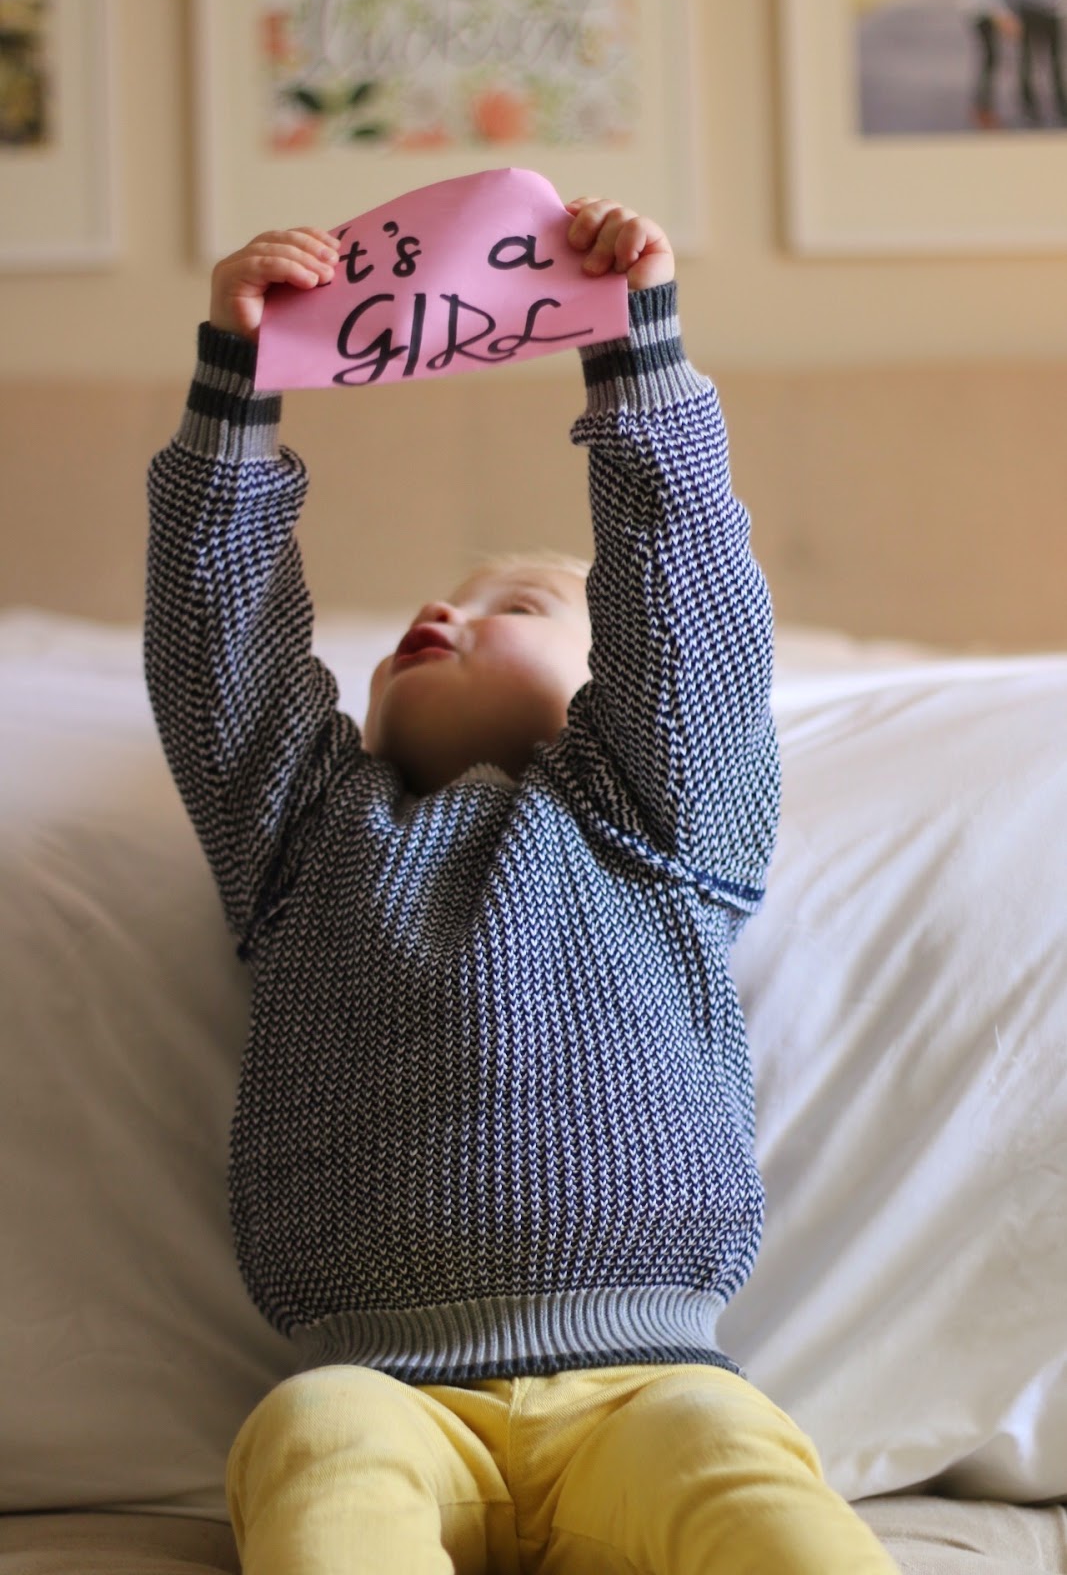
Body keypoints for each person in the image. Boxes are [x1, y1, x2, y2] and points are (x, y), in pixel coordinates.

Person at [145, 197, 898, 1574]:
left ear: (608, 678)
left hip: (647, 1383)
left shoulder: (656, 818)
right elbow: (216, 654)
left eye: (518, 607)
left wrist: (634, 358)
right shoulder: (302, 830)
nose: (443, 613)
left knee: (740, 1476)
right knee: (309, 1438)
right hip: (377, 1381)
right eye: (432, 609)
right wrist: (235, 388)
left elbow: (687, 613)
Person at [958, 0, 1021, 129]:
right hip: (983, 13)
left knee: (990, 60)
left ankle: (983, 107)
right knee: (990, 61)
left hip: (978, 11)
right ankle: (983, 108)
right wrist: (1003, 15)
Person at [1002, 0, 1067, 122]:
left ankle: (1062, 105)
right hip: (1029, 8)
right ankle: (1029, 107)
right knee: (1027, 60)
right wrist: (1009, 11)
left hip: (1052, 9)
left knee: (1056, 61)